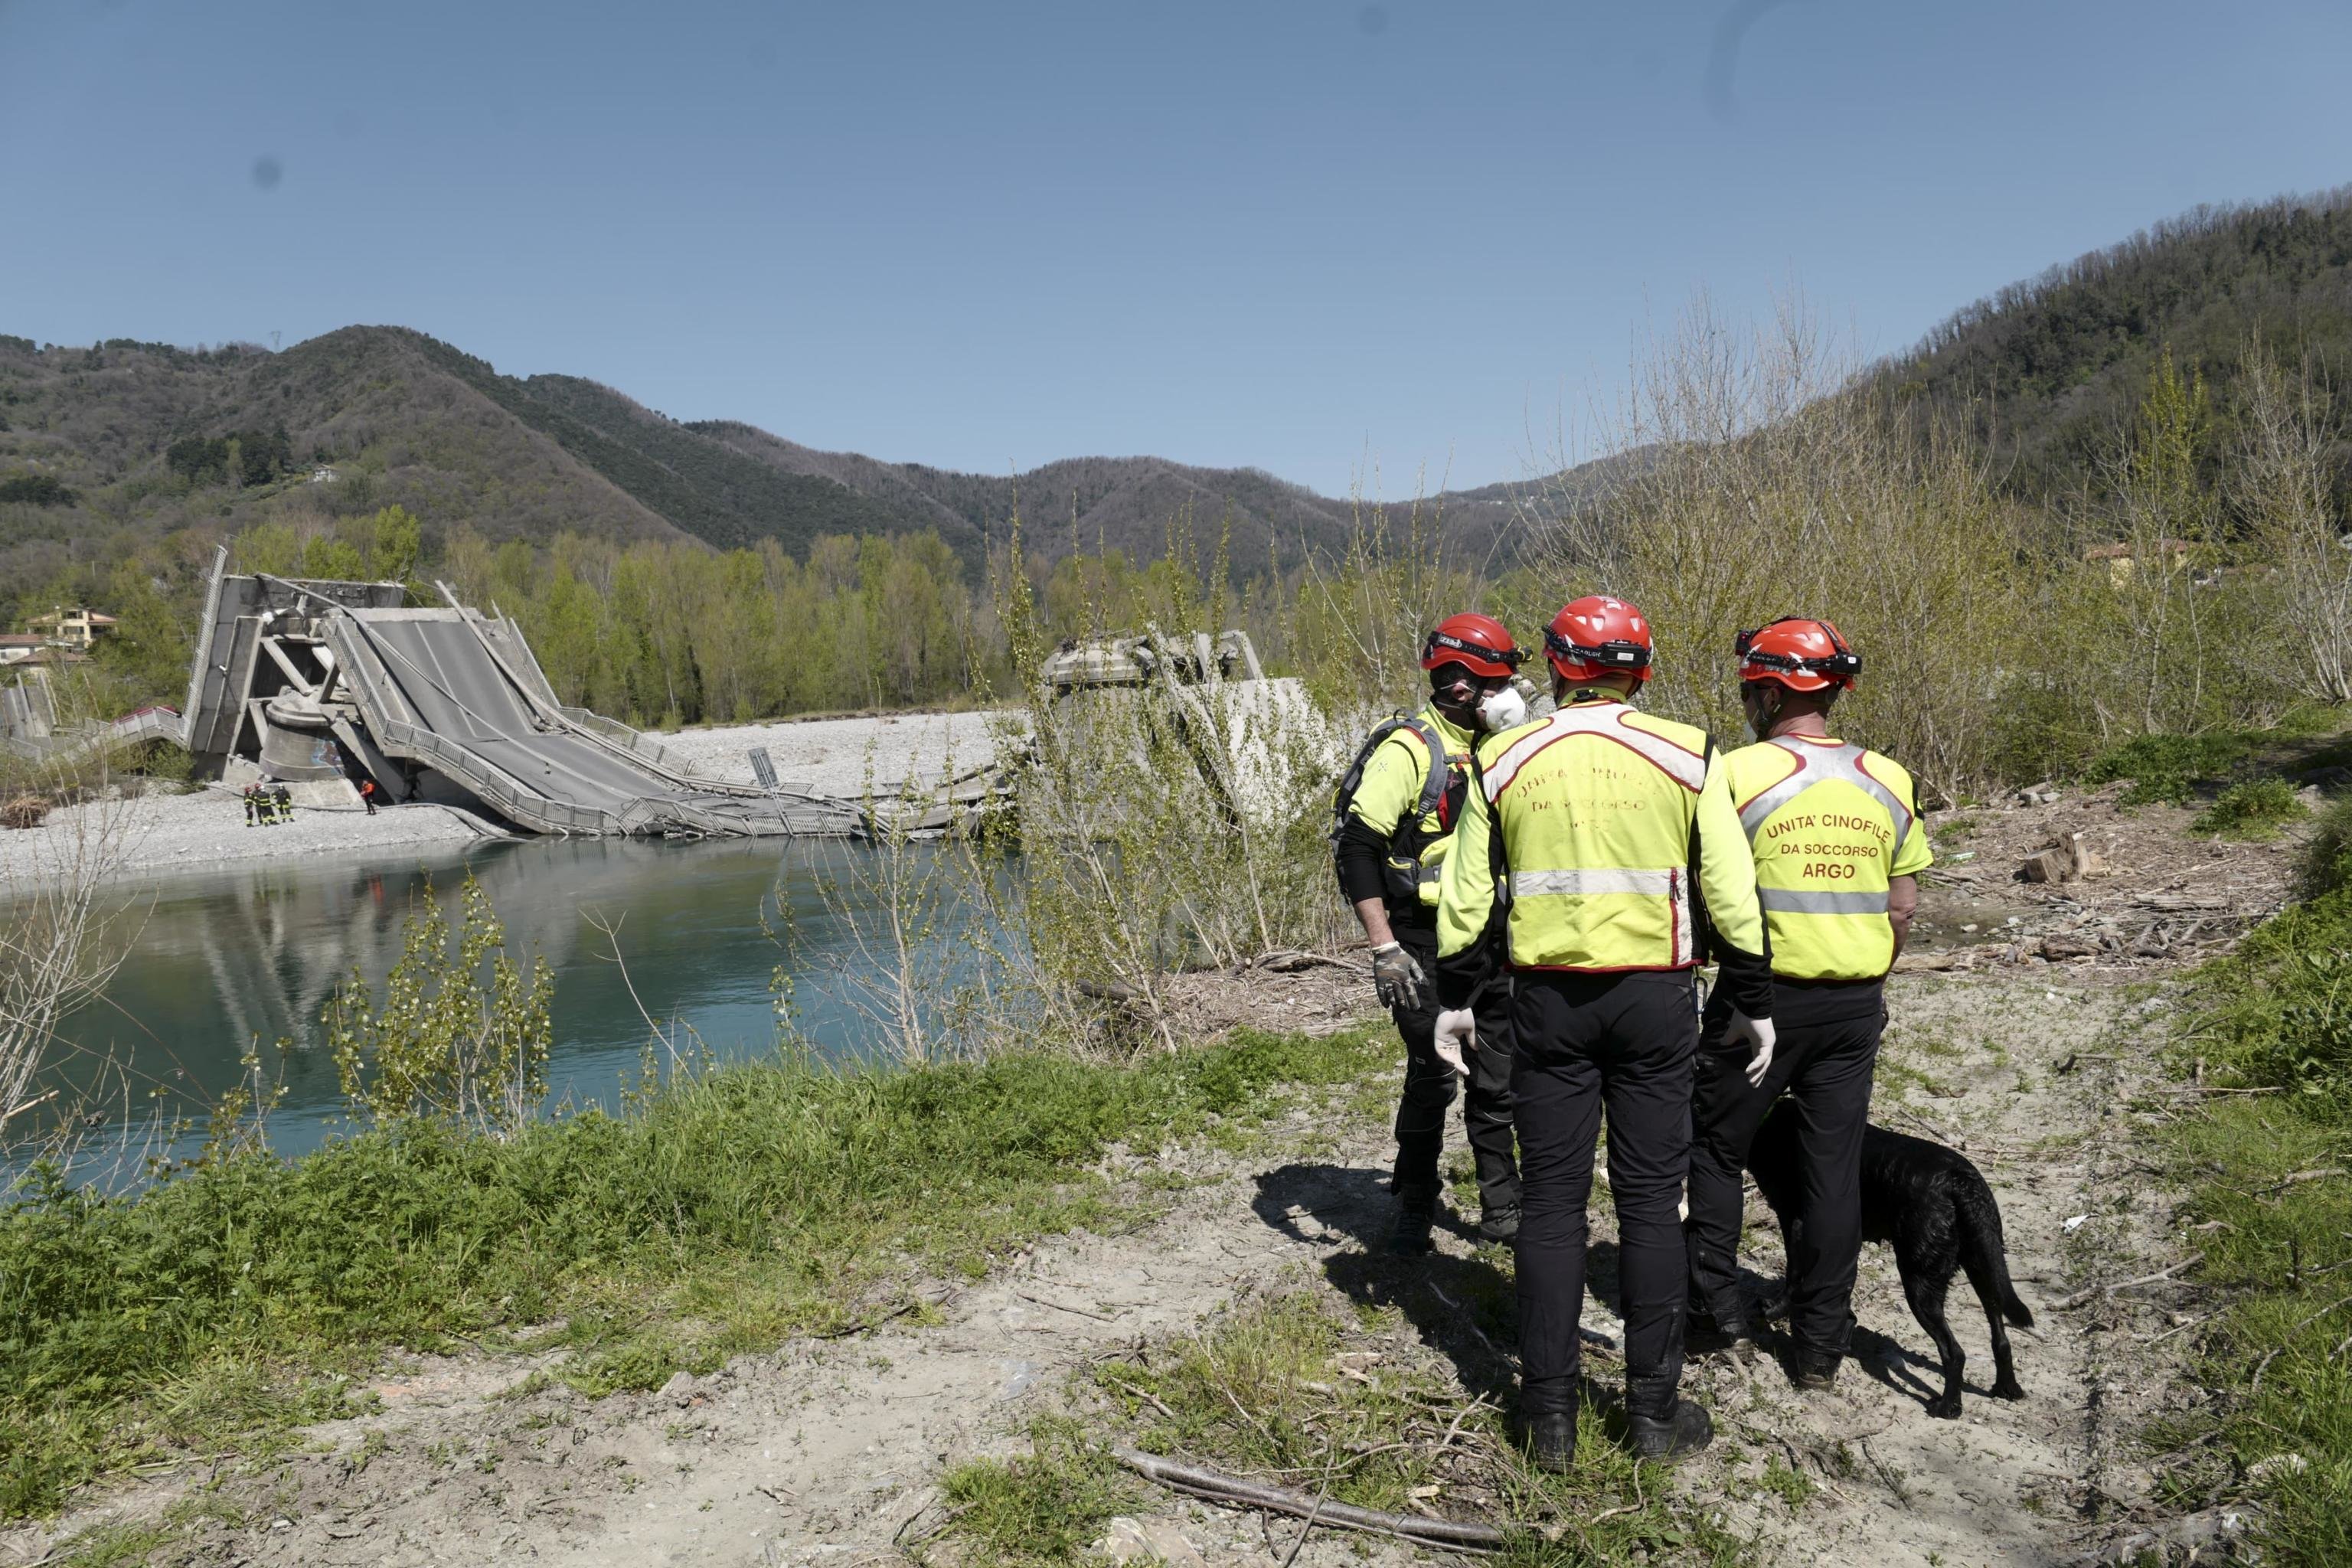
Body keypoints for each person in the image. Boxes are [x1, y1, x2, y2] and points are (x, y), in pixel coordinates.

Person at [1434, 595, 1773, 1470]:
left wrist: (1457, 995)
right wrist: (1753, 993)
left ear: (1555, 666)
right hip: (1657, 998)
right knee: (1652, 1206)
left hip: (1547, 1000)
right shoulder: (1690, 750)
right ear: (1642, 668)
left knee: (1551, 1208)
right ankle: (1653, 1418)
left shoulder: (1500, 755)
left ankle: (1549, 1421)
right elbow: (1733, 892)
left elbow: (1466, 897)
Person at [1684, 617, 1932, 1390]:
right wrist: (1872, 979)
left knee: (1716, 1146)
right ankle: (1822, 1343)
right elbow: (1903, 904)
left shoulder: (1734, 773)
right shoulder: (1888, 776)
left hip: (1759, 998)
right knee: (1833, 1169)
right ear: (1832, 688)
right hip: (1855, 1002)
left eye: (1750, 688)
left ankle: (1713, 1310)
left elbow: (1708, 889)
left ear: (1766, 689)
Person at [1334, 613, 1530, 1254]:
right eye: (1497, 682)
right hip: (1420, 943)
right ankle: (1414, 1204)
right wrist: (1383, 947)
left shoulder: (1501, 748)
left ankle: (1503, 1210)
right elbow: (1357, 848)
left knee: (1496, 1076)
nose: (1510, 694)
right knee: (1434, 1073)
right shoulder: (1409, 751)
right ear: (1458, 685)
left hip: (1490, 940)